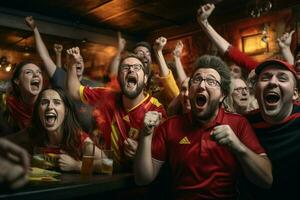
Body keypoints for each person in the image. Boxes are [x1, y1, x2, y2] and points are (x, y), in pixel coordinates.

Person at [134, 55, 272, 199]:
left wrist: (238, 147)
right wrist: (145, 134)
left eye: (211, 81)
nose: (201, 86)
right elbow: (142, 178)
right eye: (197, 79)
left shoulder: (238, 124)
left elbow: (266, 180)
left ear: (222, 95)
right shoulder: (170, 126)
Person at [198, 4, 300, 199]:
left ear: (295, 93)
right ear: (255, 86)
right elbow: (234, 54)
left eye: (282, 78)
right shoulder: (244, 124)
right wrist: (204, 24)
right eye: (265, 77)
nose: (272, 82)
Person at [67, 50, 166, 172]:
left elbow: (162, 160)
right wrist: (71, 64)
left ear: (145, 79)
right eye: (126, 67)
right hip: (109, 173)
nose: (131, 70)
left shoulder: (156, 110)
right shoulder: (108, 96)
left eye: (137, 67)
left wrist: (141, 152)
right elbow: (74, 91)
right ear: (119, 79)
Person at [25, 16, 100, 133]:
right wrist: (35, 29)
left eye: (81, 60)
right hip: (64, 135)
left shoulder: (92, 85)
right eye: (74, 59)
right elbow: (45, 57)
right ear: (68, 65)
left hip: (88, 136)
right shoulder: (61, 77)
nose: (78, 61)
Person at [6, 88, 99, 172]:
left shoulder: (79, 138)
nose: (50, 107)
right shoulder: (32, 133)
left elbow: (108, 164)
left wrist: (77, 165)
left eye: (57, 102)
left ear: (66, 110)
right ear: (38, 110)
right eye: (44, 102)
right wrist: (28, 160)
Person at [5, 61, 43, 133]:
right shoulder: (11, 104)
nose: (36, 75)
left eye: (39, 72)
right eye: (29, 72)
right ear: (17, 81)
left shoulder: (47, 105)